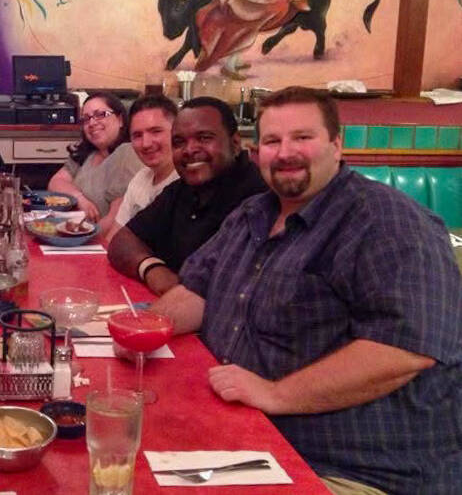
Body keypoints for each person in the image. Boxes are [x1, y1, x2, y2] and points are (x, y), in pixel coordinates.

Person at [154, 87, 462, 494]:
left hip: (353, 470)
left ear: (336, 144)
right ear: (255, 151)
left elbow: (405, 350)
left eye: (303, 137)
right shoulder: (252, 214)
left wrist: (275, 394)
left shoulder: (389, 222)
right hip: (246, 437)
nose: (285, 153)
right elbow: (197, 290)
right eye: (272, 141)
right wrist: (140, 327)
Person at [107, 97, 265, 295]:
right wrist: (152, 269)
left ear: (235, 143)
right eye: (179, 142)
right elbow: (122, 241)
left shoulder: (258, 197)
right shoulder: (181, 189)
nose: (190, 150)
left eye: (204, 138)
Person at [48, 92, 143, 236]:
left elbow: (115, 220)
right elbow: (56, 182)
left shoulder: (126, 154)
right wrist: (79, 198)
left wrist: (78, 238)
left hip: (91, 241)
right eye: (86, 119)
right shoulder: (86, 153)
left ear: (120, 120)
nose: (92, 123)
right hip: (70, 231)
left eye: (101, 114)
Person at [105, 95, 179, 243]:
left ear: (176, 131)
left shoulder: (187, 185)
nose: (145, 144)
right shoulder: (140, 178)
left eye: (156, 131)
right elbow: (114, 238)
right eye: (137, 135)